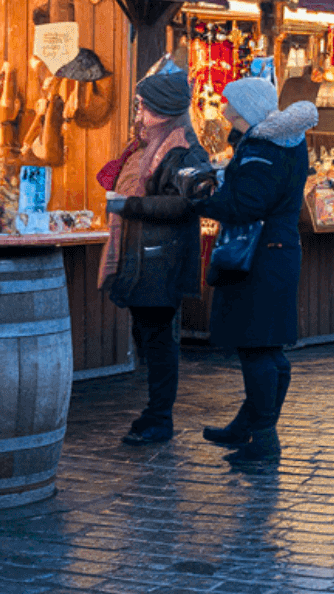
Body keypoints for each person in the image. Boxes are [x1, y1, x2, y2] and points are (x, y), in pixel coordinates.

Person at [192, 78, 316, 467]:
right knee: (266, 349)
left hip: (259, 256)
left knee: (258, 348)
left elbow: (247, 203)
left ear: (246, 108)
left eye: (230, 104)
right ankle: (250, 424)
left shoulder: (263, 148)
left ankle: (263, 437)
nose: (225, 110)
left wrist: (204, 199)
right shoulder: (282, 142)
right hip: (276, 251)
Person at [101, 69, 211, 446]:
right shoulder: (149, 143)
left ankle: (159, 417)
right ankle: (155, 413)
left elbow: (187, 203)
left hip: (161, 259)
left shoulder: (182, 149)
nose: (138, 112)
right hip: (144, 255)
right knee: (148, 336)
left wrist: (128, 205)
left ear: (161, 108)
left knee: (160, 339)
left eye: (143, 105)